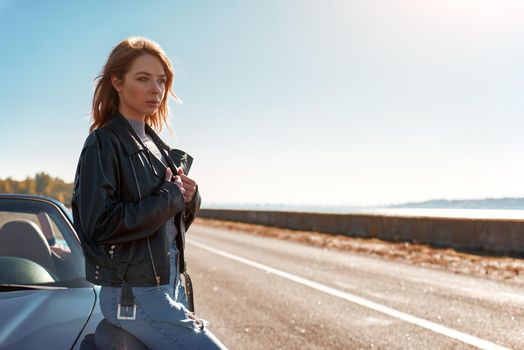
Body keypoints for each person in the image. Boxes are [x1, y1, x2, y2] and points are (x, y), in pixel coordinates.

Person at [71, 37, 227, 349]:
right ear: (117, 82)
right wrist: (169, 197)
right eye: (143, 79)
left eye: (161, 80)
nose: (156, 89)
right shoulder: (104, 143)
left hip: (170, 282)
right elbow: (99, 224)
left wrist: (189, 197)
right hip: (135, 293)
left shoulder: (159, 146)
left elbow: (166, 226)